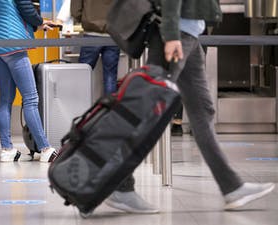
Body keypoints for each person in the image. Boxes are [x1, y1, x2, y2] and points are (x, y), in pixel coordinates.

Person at [105, 0, 275, 213]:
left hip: (189, 32)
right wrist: (171, 33)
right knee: (151, 110)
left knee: (202, 110)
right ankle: (121, 186)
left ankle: (232, 187)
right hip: (178, 33)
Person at [0, 0, 58, 162]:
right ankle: (45, 149)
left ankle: (7, 149)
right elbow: (27, 10)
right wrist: (40, 21)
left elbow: (8, 10)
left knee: (5, 99)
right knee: (31, 98)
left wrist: (37, 24)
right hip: (14, 41)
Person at [71, 0, 120, 94]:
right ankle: (109, 107)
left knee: (83, 74)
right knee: (110, 76)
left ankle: (81, 104)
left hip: (91, 32)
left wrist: (84, 19)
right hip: (112, 34)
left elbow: (75, 10)